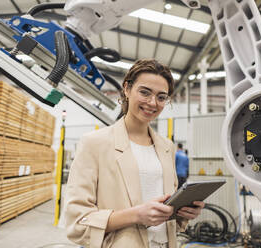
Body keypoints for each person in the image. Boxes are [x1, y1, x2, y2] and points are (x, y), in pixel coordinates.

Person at [65, 59, 205, 248]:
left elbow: (166, 207)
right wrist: (136, 215)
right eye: (145, 92)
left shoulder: (167, 147)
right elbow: (77, 221)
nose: (152, 103)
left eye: (161, 97)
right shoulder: (95, 143)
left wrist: (182, 212)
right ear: (127, 89)